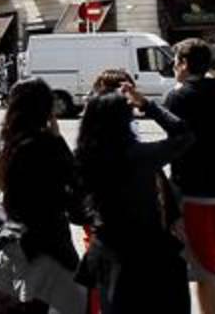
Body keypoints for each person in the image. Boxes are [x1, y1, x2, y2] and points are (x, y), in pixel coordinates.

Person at [75, 80, 194, 314]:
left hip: (108, 249)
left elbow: (74, 209)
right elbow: (185, 134)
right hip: (149, 252)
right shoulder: (142, 155)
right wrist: (147, 105)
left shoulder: (84, 156)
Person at [0, 79, 88, 314]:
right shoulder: (49, 144)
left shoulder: (9, 143)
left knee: (23, 305)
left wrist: (14, 188)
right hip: (50, 241)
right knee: (69, 303)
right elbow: (76, 183)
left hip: (15, 237)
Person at [163, 38, 215, 314]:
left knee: (201, 263)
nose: (173, 68)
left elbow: (174, 141)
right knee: (206, 254)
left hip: (191, 188)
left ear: (183, 64)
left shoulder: (179, 95)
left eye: (175, 62)